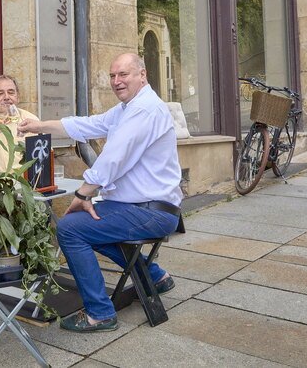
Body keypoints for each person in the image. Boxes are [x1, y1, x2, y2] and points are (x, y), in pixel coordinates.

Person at [18, 53, 185, 333]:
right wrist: (39, 126)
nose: (117, 81)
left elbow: (113, 158)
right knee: (87, 229)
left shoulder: (144, 110)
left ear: (142, 75)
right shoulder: (127, 109)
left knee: (71, 229)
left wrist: (83, 194)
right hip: (142, 207)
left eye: (124, 75)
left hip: (150, 211)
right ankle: (155, 277)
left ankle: (100, 313)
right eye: (112, 76)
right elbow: (88, 124)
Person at [0, 74, 39, 172]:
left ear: (18, 97)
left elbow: (44, 153)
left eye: (11, 92)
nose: (6, 97)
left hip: (22, 181)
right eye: (0, 93)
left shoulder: (30, 119)